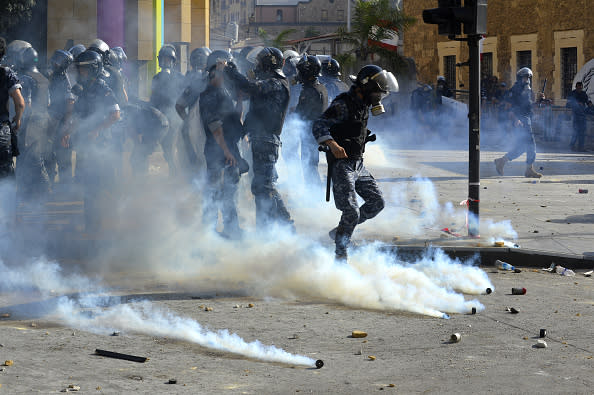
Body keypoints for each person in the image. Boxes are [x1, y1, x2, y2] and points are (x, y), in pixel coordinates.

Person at [312, 65, 398, 261]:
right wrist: (332, 144)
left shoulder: (363, 104)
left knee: (377, 202)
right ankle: (340, 256)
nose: (379, 96)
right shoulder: (343, 104)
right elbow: (319, 124)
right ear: (365, 87)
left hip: (358, 164)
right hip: (342, 165)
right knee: (351, 210)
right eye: (377, 91)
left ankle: (340, 231)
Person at [223, 47, 294, 229]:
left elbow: (250, 87)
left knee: (262, 189)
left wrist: (232, 71)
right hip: (261, 140)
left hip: (266, 141)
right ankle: (286, 223)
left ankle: (266, 233)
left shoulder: (277, 83)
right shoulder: (271, 84)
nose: (256, 67)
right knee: (267, 186)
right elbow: (247, 95)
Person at [71, 50, 120, 232]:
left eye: (83, 69)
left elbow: (115, 114)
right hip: (86, 146)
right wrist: (67, 132)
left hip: (100, 147)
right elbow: (77, 115)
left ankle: (104, 226)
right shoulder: (85, 89)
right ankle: (91, 225)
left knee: (99, 186)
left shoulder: (102, 88)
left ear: (93, 69)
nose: (80, 73)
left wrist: (97, 130)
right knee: (88, 186)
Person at [200, 51, 247, 238]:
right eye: (219, 74)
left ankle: (231, 228)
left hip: (229, 149)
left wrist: (240, 101)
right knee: (214, 190)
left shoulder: (222, 92)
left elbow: (235, 119)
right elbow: (215, 126)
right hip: (218, 150)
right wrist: (227, 151)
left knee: (229, 191)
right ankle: (209, 231)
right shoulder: (209, 94)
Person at [494, 67, 544, 178]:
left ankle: (502, 161)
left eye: (529, 78)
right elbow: (509, 107)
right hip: (521, 120)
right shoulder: (515, 89)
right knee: (531, 145)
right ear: (520, 78)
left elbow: (529, 107)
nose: (527, 80)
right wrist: (516, 119)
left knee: (521, 147)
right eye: (525, 77)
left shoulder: (527, 91)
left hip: (526, 119)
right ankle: (529, 170)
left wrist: (539, 101)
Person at [15, 46, 52, 197]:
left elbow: (26, 103)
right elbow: (48, 102)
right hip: (42, 120)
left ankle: (43, 188)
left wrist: (18, 120)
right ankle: (34, 191)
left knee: (29, 157)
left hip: (30, 122)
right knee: (37, 155)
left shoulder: (25, 78)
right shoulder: (42, 77)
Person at [150, 44, 185, 176]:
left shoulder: (180, 77)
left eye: (167, 59)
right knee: (166, 147)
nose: (165, 62)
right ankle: (173, 170)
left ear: (173, 61)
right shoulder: (156, 78)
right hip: (162, 116)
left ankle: (179, 172)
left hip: (176, 116)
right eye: (163, 59)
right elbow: (153, 98)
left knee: (176, 146)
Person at [295, 55, 327, 185]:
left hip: (310, 132)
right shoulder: (320, 87)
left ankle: (315, 195)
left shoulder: (310, 91)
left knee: (309, 165)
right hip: (316, 131)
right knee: (311, 164)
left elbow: (302, 114)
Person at [47, 49, 76, 183]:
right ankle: (51, 183)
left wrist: (66, 128)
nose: (54, 63)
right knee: (50, 155)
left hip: (61, 123)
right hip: (52, 122)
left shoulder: (65, 80)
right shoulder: (54, 77)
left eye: (58, 61)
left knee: (63, 156)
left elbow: (70, 104)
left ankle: (66, 189)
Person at [0, 37, 25, 179]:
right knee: (5, 177)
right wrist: (18, 119)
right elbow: (20, 103)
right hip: (2, 130)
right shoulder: (7, 73)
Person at [566, 81, 593, 152]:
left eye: (581, 88)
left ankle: (581, 147)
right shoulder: (572, 93)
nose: (580, 89)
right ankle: (572, 146)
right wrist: (576, 103)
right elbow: (568, 103)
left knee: (582, 132)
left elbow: (587, 101)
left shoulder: (583, 94)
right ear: (576, 87)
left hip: (582, 115)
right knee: (575, 131)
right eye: (578, 88)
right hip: (575, 115)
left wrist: (589, 103)